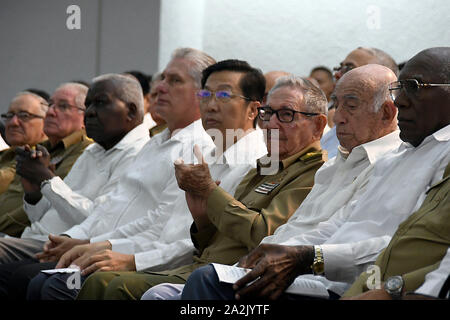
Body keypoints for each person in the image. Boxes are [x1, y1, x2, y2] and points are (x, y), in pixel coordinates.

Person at [180, 47, 450, 300]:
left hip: (341, 281)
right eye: (269, 113)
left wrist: (308, 257)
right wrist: (278, 254)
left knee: (206, 282)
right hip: (308, 270)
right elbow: (335, 225)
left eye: (285, 114)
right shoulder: (386, 160)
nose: (339, 116)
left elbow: (400, 244)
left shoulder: (431, 156)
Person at [26, 59, 268, 300]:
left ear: (253, 109)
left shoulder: (255, 162)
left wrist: (131, 259)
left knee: (72, 284)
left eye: (224, 95)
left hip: (197, 269)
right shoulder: (202, 154)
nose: (211, 105)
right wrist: (100, 245)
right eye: (206, 94)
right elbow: (157, 222)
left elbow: (194, 243)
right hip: (157, 254)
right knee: (46, 281)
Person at [75, 74, 328, 300]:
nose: (272, 124)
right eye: (269, 113)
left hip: (230, 277)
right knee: (95, 280)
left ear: (318, 125)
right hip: (198, 266)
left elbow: (261, 233)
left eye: (286, 115)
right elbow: (210, 239)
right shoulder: (267, 165)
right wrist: (202, 219)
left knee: (109, 285)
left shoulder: (314, 172)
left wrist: (209, 192)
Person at [0, 74, 150, 299]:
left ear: (130, 111)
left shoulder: (138, 154)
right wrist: (33, 193)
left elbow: (98, 220)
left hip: (75, 245)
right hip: (45, 239)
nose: (89, 112)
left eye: (99, 103)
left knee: (24, 276)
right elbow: (46, 216)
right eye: (88, 104)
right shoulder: (94, 151)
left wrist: (47, 181)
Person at [341, 163, 449, 300]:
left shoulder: (441, 155)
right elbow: (392, 249)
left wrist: (392, 289)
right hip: (367, 284)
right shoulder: (389, 159)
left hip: (406, 292)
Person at [0, 83, 92, 236]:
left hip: (39, 239)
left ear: (86, 116)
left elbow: (53, 206)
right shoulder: (39, 149)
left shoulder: (86, 151)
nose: (50, 112)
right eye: (50, 105)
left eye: (63, 106)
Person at [322, 46, 399, 159]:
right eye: (339, 68)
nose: (337, 74)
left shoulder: (395, 156)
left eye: (349, 68)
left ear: (386, 113)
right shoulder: (333, 133)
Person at [0, 92, 48, 195]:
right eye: (9, 115)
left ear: (46, 122)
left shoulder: (40, 155)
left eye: (24, 116)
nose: (13, 122)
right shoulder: (6, 154)